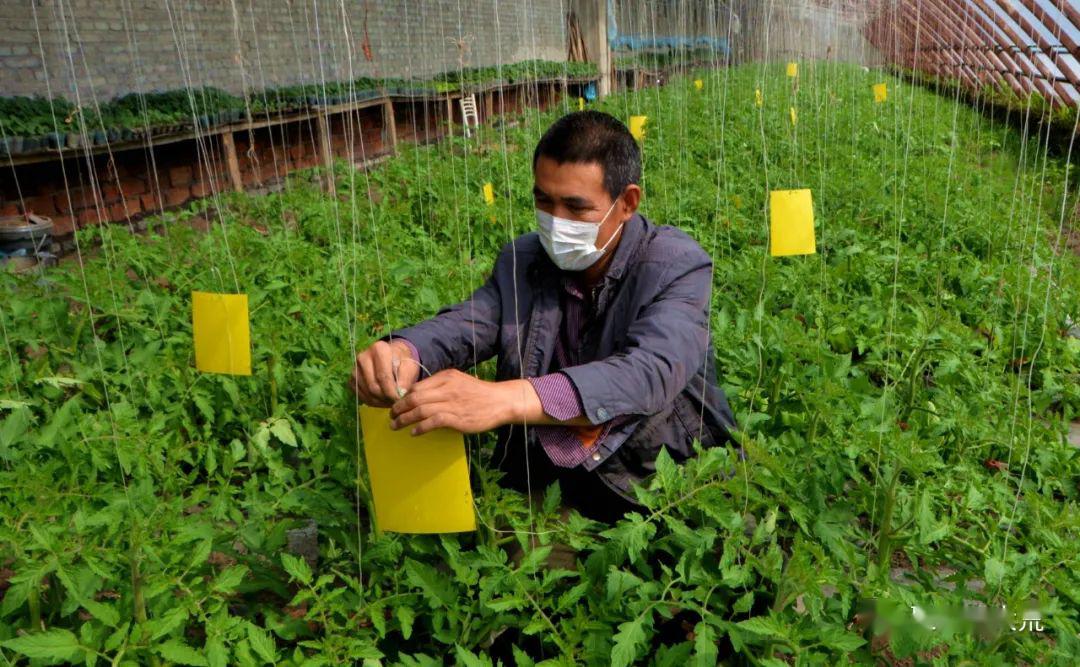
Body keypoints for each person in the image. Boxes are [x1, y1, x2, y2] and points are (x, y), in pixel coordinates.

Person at [350, 110, 735, 525]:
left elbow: (649, 372)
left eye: (575, 206)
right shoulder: (525, 260)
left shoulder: (676, 265)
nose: (556, 223)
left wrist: (503, 399)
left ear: (627, 203)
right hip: (553, 476)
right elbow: (471, 322)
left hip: (659, 475)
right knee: (522, 569)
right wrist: (405, 349)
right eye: (543, 201)